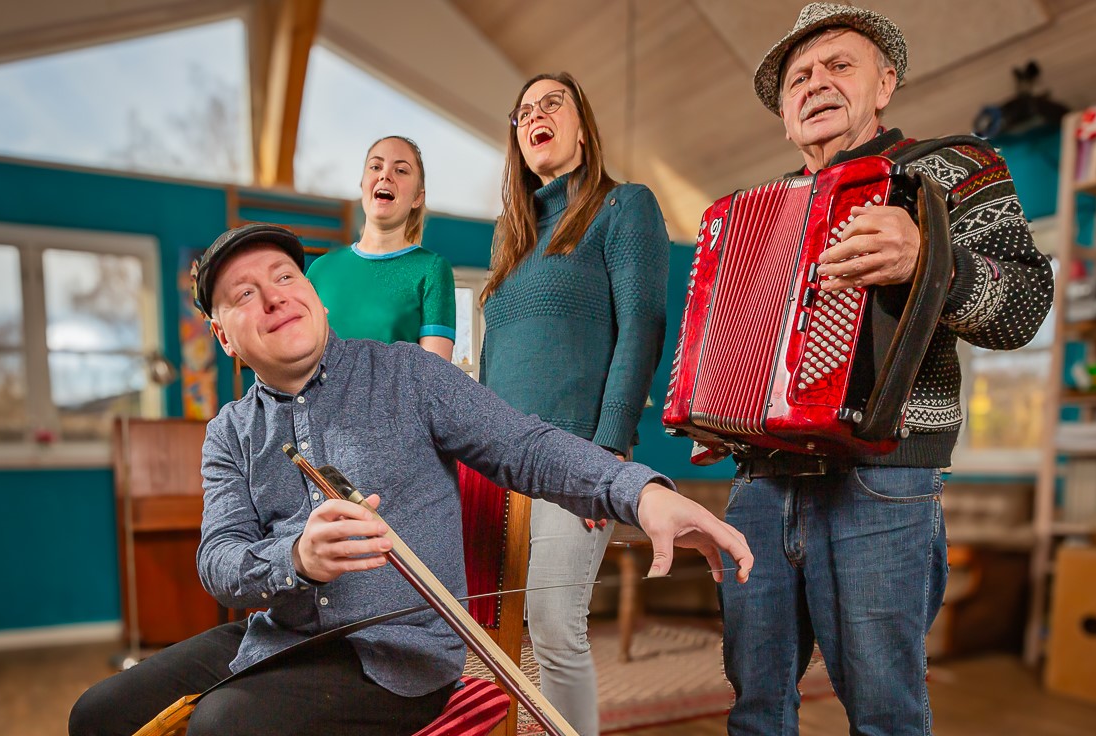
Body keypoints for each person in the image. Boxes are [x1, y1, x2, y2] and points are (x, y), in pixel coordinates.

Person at [68, 223, 752, 736]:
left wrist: (642, 493)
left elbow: (529, 448)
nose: (273, 297)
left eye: (285, 277)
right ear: (224, 337)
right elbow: (219, 563)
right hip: (281, 639)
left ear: (315, 297)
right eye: (244, 295)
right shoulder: (229, 431)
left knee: (227, 726)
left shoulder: (408, 374)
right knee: (97, 714)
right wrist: (296, 558)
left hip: (395, 659)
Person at [717, 4, 1054, 735]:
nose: (815, 83)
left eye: (839, 65)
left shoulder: (956, 167)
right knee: (754, 709)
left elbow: (1025, 305)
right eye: (798, 78)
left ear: (885, 83)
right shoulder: (756, 215)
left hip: (883, 476)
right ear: (785, 119)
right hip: (760, 483)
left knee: (884, 716)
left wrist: (931, 259)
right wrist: (716, 415)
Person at [479, 71, 670, 735]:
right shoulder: (511, 236)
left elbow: (642, 326)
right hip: (497, 462)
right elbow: (496, 359)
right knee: (494, 631)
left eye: (552, 103)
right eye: (524, 111)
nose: (536, 115)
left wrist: (605, 457)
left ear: (583, 127)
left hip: (575, 457)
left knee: (555, 627)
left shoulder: (624, 207)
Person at [306, 135, 455, 361]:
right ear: (363, 185)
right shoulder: (320, 270)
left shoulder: (432, 269)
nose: (385, 175)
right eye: (376, 167)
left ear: (418, 198)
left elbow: (435, 375)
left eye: (401, 170)